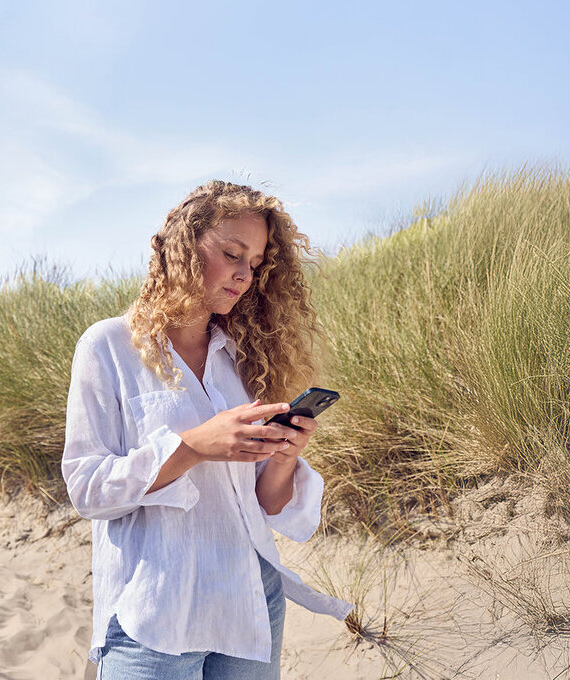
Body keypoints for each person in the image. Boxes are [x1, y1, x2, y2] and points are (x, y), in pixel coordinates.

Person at [61, 180, 355, 679]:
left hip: (248, 596)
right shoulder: (108, 346)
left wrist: (283, 454)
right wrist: (194, 446)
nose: (244, 274)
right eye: (231, 253)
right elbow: (88, 489)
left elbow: (267, 502)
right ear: (184, 247)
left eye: (256, 263)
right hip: (153, 609)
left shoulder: (243, 360)